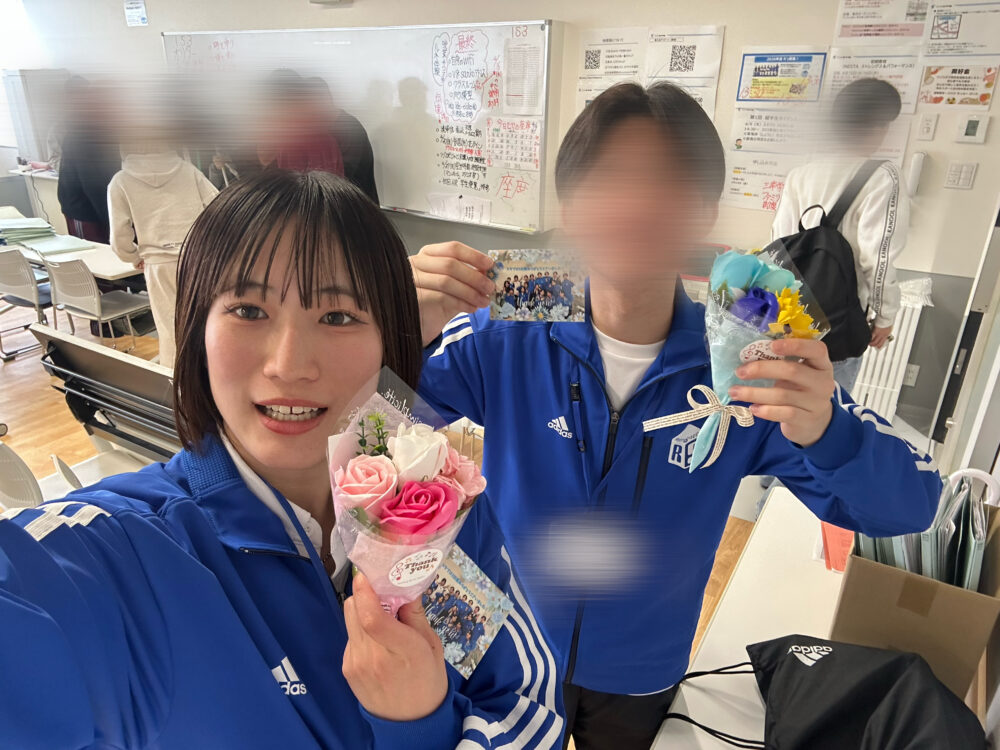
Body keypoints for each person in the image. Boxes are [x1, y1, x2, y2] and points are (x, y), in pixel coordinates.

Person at [410, 82, 941, 750]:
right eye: (610, 178)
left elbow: (913, 505)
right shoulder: (519, 305)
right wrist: (399, 331)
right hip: (498, 642)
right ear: (568, 208)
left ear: (706, 210)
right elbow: (370, 426)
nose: (637, 205)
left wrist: (827, 430)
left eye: (668, 181)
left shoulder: (743, 348)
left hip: (640, 665)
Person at [0, 170, 562, 749]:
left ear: (389, 341)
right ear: (196, 331)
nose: (289, 365)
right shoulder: (125, 555)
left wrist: (420, 721)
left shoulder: (435, 510)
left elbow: (520, 702)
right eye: (248, 310)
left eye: (338, 317)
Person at [772, 78, 909, 393]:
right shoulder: (883, 176)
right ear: (880, 127)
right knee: (827, 405)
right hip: (838, 320)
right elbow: (878, 257)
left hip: (789, 315)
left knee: (780, 400)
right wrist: (884, 316)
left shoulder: (801, 174)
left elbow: (779, 243)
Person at [108, 134, 219, 368]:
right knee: (205, 324)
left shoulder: (120, 181)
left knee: (170, 331)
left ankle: (176, 383)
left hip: (158, 265)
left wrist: (133, 256)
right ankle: (211, 379)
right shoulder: (188, 171)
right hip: (198, 258)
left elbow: (119, 235)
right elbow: (220, 209)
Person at [57, 77, 120, 242]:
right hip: (85, 211)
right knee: (96, 253)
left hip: (105, 206)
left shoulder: (106, 129)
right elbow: (94, 185)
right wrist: (112, 221)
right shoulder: (83, 134)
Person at [305, 76, 380, 204]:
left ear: (326, 99)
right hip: (333, 204)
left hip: (355, 206)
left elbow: (340, 177)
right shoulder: (318, 129)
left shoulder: (350, 128)